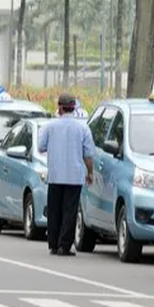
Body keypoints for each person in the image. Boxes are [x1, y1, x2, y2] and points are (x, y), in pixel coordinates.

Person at [38, 93, 95, 256]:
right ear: (74, 108)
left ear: (60, 108)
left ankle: (53, 244)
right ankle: (64, 245)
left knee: (54, 210)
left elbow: (41, 147)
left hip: (55, 174)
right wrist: (89, 173)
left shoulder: (50, 126)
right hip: (74, 176)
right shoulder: (83, 128)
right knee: (70, 211)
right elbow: (88, 155)